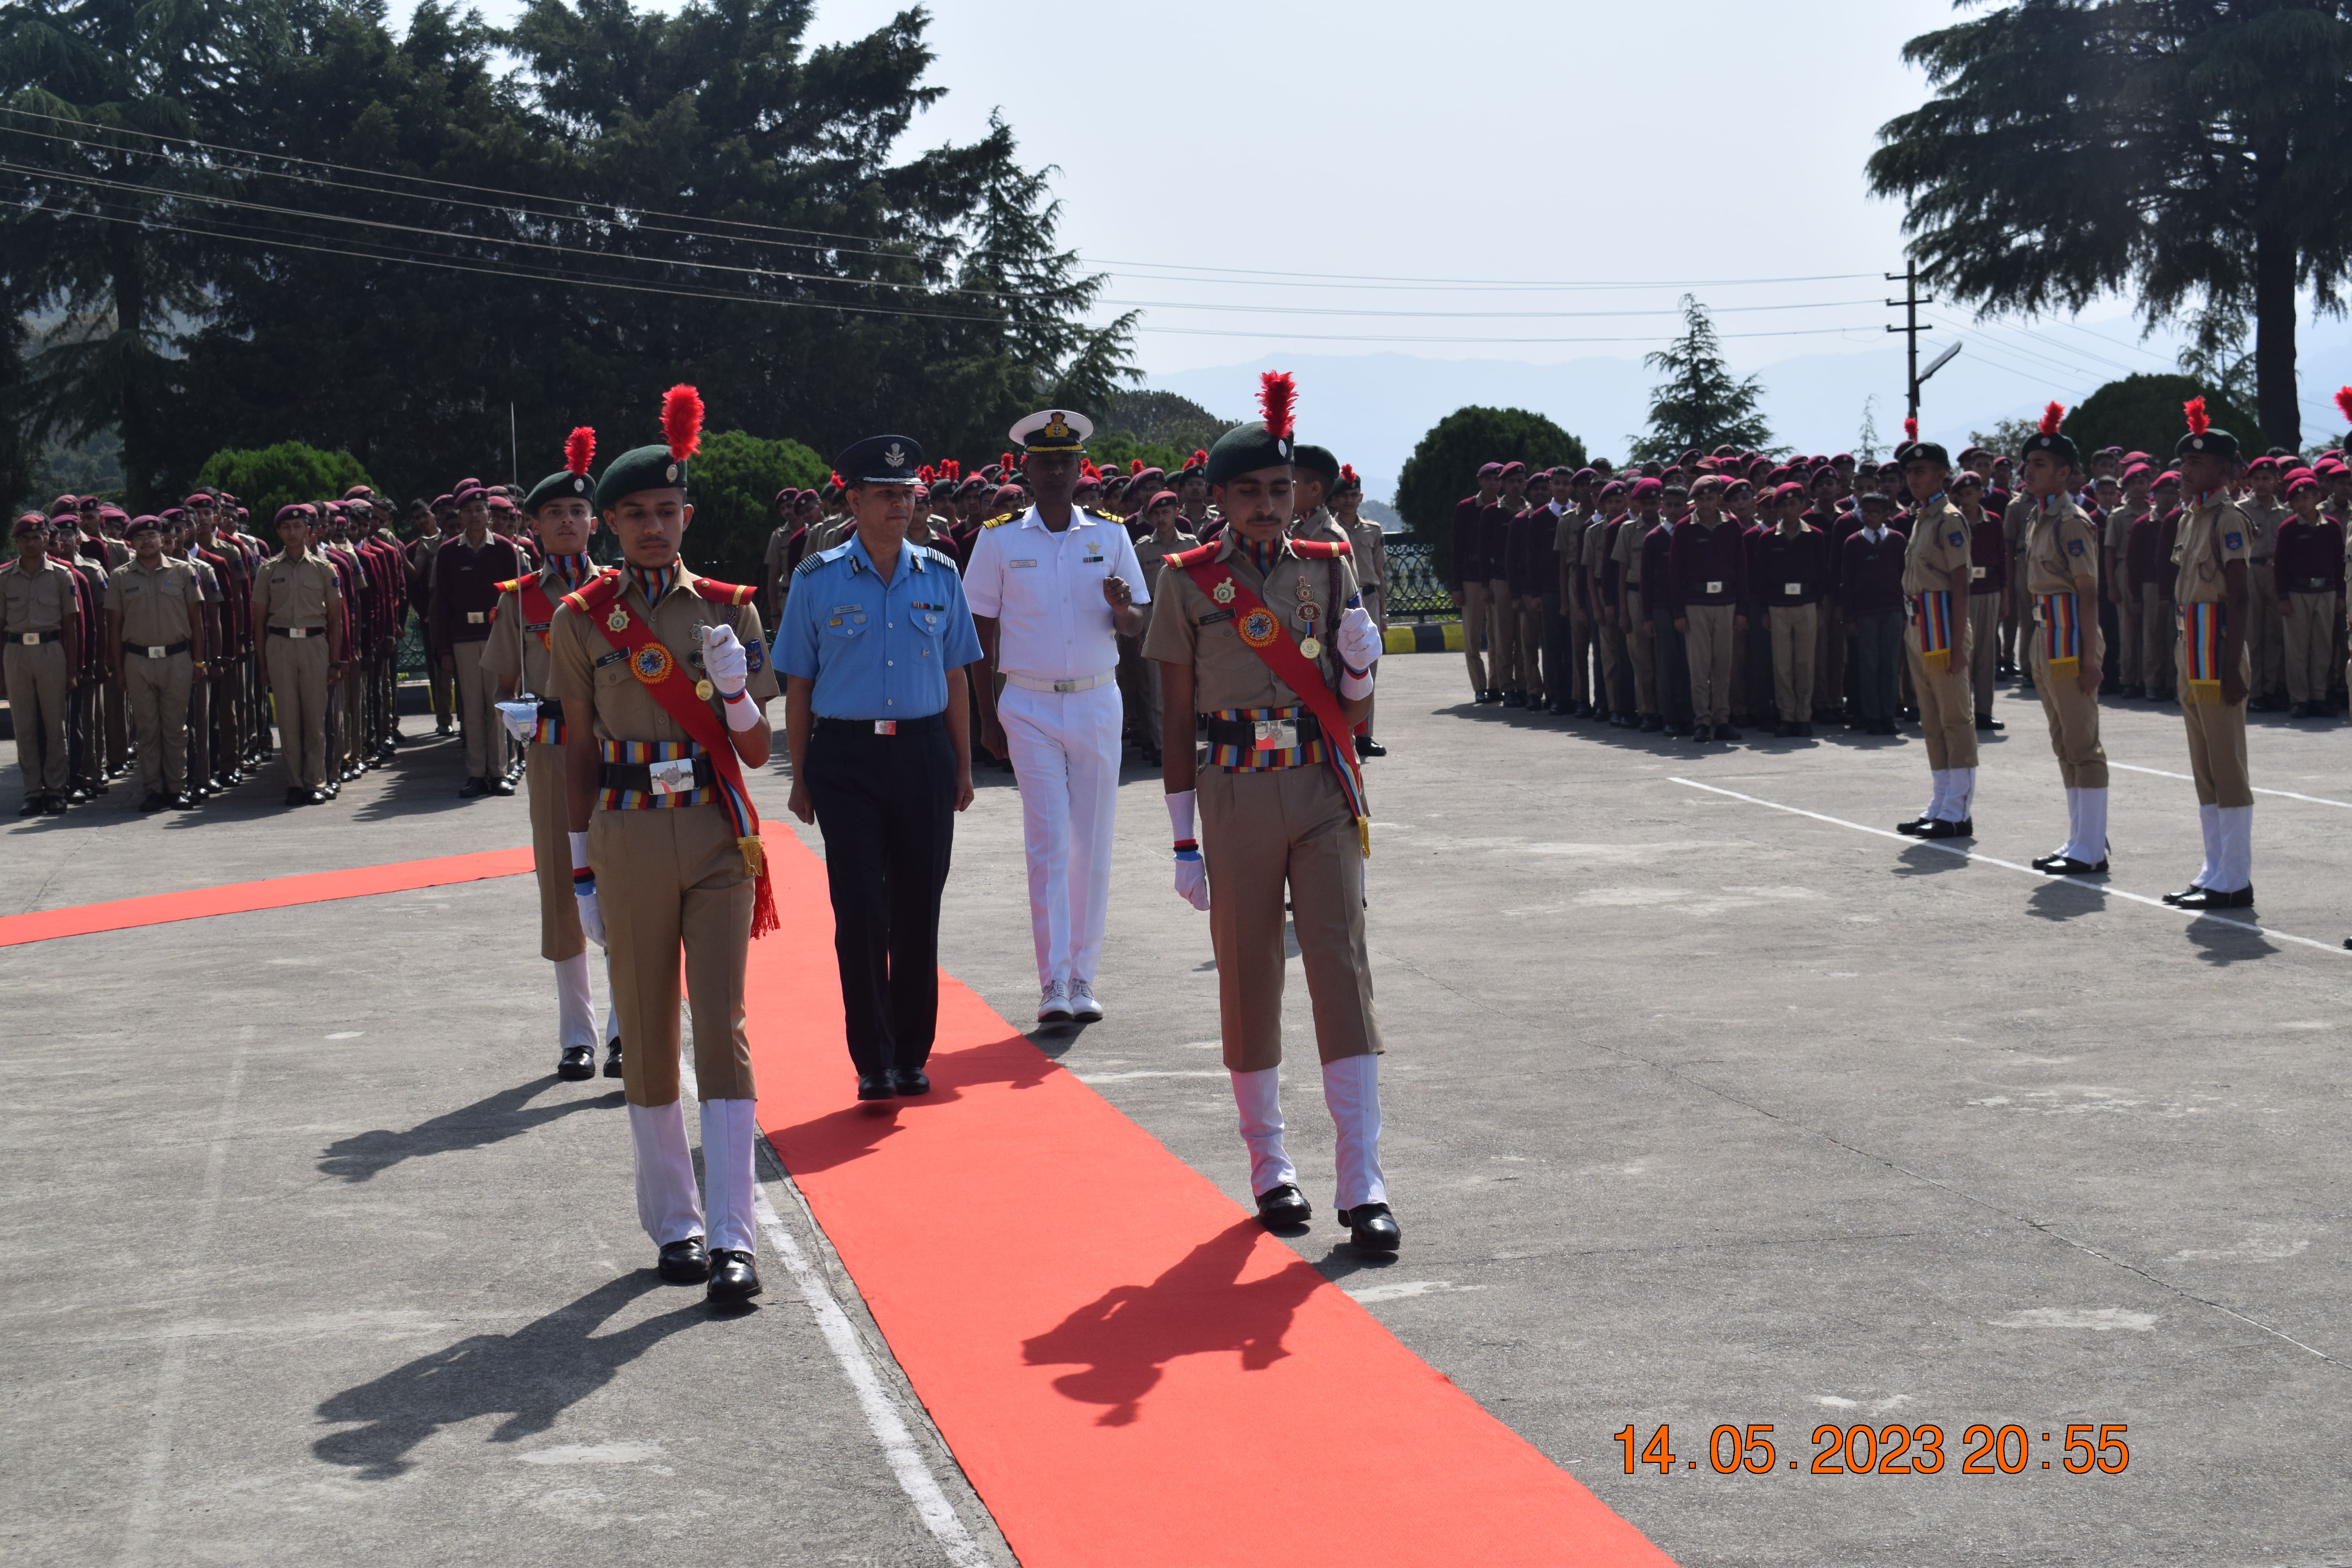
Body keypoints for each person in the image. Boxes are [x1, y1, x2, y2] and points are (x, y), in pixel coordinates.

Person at [1142, 372, 1399, 1253]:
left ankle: (1363, 1180)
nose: (1266, 505)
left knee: (1342, 970)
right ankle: (1270, 1166)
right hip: (1234, 791)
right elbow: (1177, 719)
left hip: (1322, 786)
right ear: (1216, 499)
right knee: (1250, 974)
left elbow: (1355, 713)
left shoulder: (1329, 568)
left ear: (1299, 494)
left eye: (1280, 489)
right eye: (1248, 491)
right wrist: (1182, 840)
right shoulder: (1188, 582)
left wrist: (1359, 667)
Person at [550, 386, 779, 1307]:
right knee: (646, 1030)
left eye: (668, 510)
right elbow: (576, 751)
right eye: (637, 513)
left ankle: (733, 1235)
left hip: (718, 835)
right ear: (608, 523)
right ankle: (676, 1224)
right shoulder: (580, 618)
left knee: (722, 1026)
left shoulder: (729, 611)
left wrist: (736, 692)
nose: (654, 526)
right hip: (629, 834)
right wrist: (579, 868)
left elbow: (757, 749)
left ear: (688, 515)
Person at [776, 432, 981, 1102]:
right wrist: (800, 776)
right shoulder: (817, 579)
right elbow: (799, 686)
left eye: (908, 494)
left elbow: (957, 677)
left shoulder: (941, 575)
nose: (901, 505)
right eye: (886, 494)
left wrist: (962, 766)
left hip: (923, 752)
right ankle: (873, 1059)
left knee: (919, 905)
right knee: (861, 908)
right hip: (848, 759)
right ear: (854, 501)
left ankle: (912, 1054)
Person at [965, 408, 1147, 1024]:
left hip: (1096, 697)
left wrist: (1122, 609)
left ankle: (1083, 976)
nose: (1055, 471)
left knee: (1092, 842)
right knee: (1049, 843)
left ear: (1078, 468)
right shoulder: (999, 539)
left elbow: (1136, 623)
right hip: (1029, 704)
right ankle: (1053, 982)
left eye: (1065, 461)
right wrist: (986, 717)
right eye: (1044, 461)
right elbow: (979, 632)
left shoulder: (1111, 535)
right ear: (1028, 468)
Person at [487, 429, 627, 1082]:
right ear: (535, 527)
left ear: (595, 523)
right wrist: (515, 717)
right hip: (552, 761)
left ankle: (626, 1029)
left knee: (625, 885)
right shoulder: (519, 600)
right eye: (554, 513)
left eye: (578, 511)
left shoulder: (621, 592)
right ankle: (577, 1036)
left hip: (616, 754)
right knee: (564, 894)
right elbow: (501, 683)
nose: (568, 521)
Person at [2162, 400, 2255, 910]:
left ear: (2223, 470)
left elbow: (2239, 597)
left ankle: (2235, 877)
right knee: (2204, 767)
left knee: (2227, 765)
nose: (2186, 469)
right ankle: (2213, 869)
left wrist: (2233, 664)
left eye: (2196, 462)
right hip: (2190, 651)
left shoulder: (2227, 519)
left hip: (2218, 651)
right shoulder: (2190, 518)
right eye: (2184, 462)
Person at [2013, 406, 2110, 875]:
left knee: (2083, 744)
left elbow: (2088, 593)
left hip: (2072, 638)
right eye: (2028, 463)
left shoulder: (2072, 521)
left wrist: (2091, 657)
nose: (2029, 471)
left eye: (2040, 465)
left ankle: (2091, 847)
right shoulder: (2039, 517)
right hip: (2046, 635)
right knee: (2063, 743)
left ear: (2064, 473)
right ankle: (2078, 837)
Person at [1892, 429, 1979, 838]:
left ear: (1943, 474)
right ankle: (1941, 801)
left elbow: (1961, 584)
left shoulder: (1948, 519)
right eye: (1910, 472)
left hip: (1943, 626)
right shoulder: (1921, 518)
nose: (1914, 478)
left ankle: (1958, 809)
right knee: (1931, 719)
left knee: (1955, 719)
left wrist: (1958, 643)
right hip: (1918, 625)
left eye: (1922, 471)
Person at [104, 514, 207, 811]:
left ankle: (177, 788)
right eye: (140, 537)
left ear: (163, 539)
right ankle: (153, 790)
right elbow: (114, 627)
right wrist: (118, 668)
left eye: (152, 536)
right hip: (138, 660)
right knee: (147, 729)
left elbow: (197, 622)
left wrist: (200, 662)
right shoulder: (121, 577)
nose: (147, 541)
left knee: (176, 729)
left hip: (177, 658)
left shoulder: (183, 571)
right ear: (132, 543)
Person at [431, 485, 527, 797]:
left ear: (489, 515)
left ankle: (499, 772)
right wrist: (444, 649)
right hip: (463, 637)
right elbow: (441, 604)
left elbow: (517, 598)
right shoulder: (449, 552)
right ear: (460, 517)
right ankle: (476, 773)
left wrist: (517, 640)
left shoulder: (504, 549)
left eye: (480, 510)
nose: (475, 516)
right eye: (468, 511)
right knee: (472, 708)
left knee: (498, 705)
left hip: (497, 636)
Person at [251, 505, 347, 807]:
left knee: (316, 718)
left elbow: (336, 620)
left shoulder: (324, 568)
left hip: (314, 644)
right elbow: (259, 621)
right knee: (288, 720)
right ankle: (294, 783)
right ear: (279, 533)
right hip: (280, 645)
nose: (292, 533)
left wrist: (335, 661)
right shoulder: (268, 570)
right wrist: (263, 664)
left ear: (309, 531)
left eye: (298, 527)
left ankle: (316, 781)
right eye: (286, 528)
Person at [2, 512, 82, 815]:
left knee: (54, 725)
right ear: (17, 542)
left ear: (47, 539)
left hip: (51, 650)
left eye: (36, 538)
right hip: (16, 652)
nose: (31, 544)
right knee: (24, 727)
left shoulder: (62, 575)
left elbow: (71, 628)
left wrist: (72, 670)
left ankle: (56, 791)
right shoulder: (4, 578)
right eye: (24, 539)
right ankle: (33, 792)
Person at [1668, 474, 1746, 742]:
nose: (1705, 504)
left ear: (1719, 500)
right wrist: (1679, 612)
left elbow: (1741, 569)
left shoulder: (1732, 526)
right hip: (1696, 603)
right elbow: (1675, 572)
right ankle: (1701, 720)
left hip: (1726, 602)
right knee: (1699, 666)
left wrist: (1741, 610)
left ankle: (1722, 719)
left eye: (1711, 499)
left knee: (1723, 664)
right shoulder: (1684, 528)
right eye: (1700, 499)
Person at [1748, 481, 1827, 737]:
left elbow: (1822, 574)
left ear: (1803, 505)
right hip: (1778, 606)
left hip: (1806, 604)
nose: (1789, 510)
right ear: (1777, 509)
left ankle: (1803, 717)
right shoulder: (1768, 539)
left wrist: (1820, 606)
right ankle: (1786, 716)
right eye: (1784, 505)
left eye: (1794, 504)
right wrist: (1763, 610)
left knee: (1805, 663)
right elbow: (1760, 578)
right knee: (1782, 665)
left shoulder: (1815, 536)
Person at [2273, 471, 2344, 719]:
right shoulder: (2288, 528)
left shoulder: (2332, 527)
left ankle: (2319, 696)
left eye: (2306, 498)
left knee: (2323, 647)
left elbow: (2340, 562)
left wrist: (2340, 594)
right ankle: (2299, 699)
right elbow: (2280, 565)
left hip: (2326, 591)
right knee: (2298, 650)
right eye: (2296, 500)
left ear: (2317, 498)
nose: (2301, 504)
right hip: (2297, 593)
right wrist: (2283, 597)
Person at [1333, 465, 1388, 754]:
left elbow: (1380, 573)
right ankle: (1343, 733)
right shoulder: (1327, 530)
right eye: (1344, 495)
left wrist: (1384, 614)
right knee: (1338, 670)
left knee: (1368, 670)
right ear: (1335, 498)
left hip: (1369, 601)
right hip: (1339, 603)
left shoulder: (1373, 530)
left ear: (1361, 497)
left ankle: (1366, 736)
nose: (1349, 500)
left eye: (1354, 495)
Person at [1841, 492, 1906, 736]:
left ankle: (1888, 716)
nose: (1869, 516)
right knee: (1869, 665)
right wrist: (1849, 617)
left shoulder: (1898, 540)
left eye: (1875, 512)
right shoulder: (1853, 542)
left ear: (1886, 515)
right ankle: (1872, 717)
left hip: (1893, 610)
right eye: (1865, 512)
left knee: (1890, 664)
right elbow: (1847, 582)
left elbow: (1905, 575)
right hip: (1865, 612)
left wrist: (1906, 611)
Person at [1956, 470, 2006, 731]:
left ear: (1980, 493)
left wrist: (2005, 595)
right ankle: (1963, 711)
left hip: (1989, 589)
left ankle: (1984, 712)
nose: (1966, 499)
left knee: (1987, 653)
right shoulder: (1954, 521)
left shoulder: (1993, 521)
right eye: (1962, 494)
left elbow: (2002, 558)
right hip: (1964, 592)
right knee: (1965, 651)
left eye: (1970, 493)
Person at [1449, 463, 1499, 702]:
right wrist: (1456, 586)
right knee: (1472, 637)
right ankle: (1480, 687)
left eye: (1497, 479)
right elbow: (1457, 548)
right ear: (1480, 481)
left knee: (1498, 636)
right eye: (1488, 479)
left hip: (1498, 577)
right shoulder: (1466, 508)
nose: (1493, 484)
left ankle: (1497, 685)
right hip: (1471, 578)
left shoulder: (1504, 508)